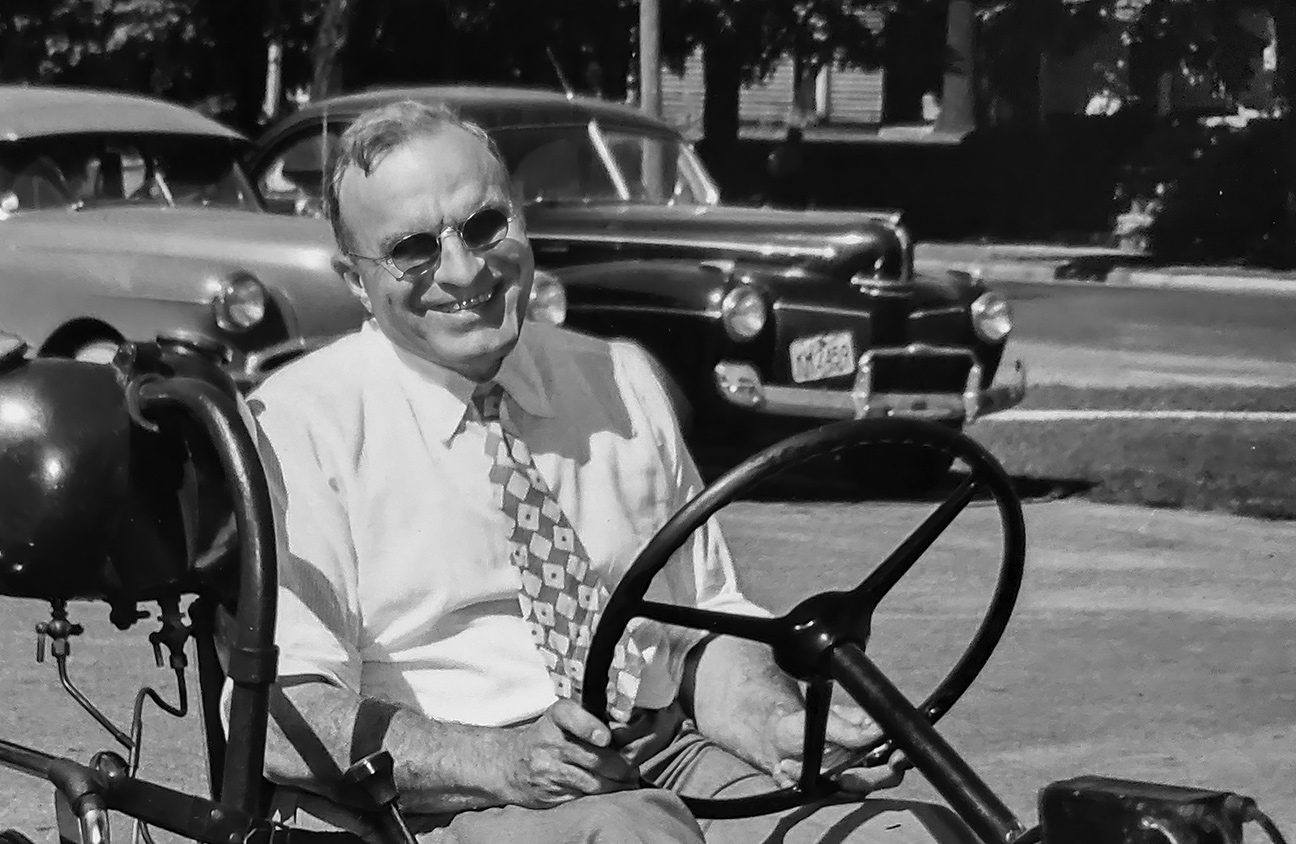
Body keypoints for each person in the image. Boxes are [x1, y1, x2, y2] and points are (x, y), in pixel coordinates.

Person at [242, 99, 975, 844]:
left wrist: (778, 727)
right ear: (356, 280)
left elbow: (702, 628)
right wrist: (503, 759)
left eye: (485, 226)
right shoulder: (303, 426)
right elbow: (282, 715)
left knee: (916, 835)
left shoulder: (620, 382)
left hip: (665, 755)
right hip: (446, 798)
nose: (463, 269)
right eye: (412, 250)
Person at [765, 126, 807, 209]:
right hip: (782, 182)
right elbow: (773, 167)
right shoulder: (781, 151)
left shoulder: (793, 152)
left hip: (788, 182)